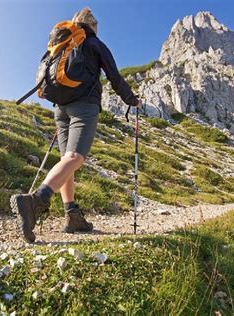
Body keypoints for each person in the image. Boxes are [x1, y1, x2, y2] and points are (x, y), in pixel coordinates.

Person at [11, 7, 142, 243]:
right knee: (76, 157)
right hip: (84, 105)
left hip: (60, 108)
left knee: (66, 161)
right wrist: (132, 100)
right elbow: (114, 76)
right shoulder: (93, 43)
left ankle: (72, 215)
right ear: (93, 25)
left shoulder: (62, 45)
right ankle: (36, 201)